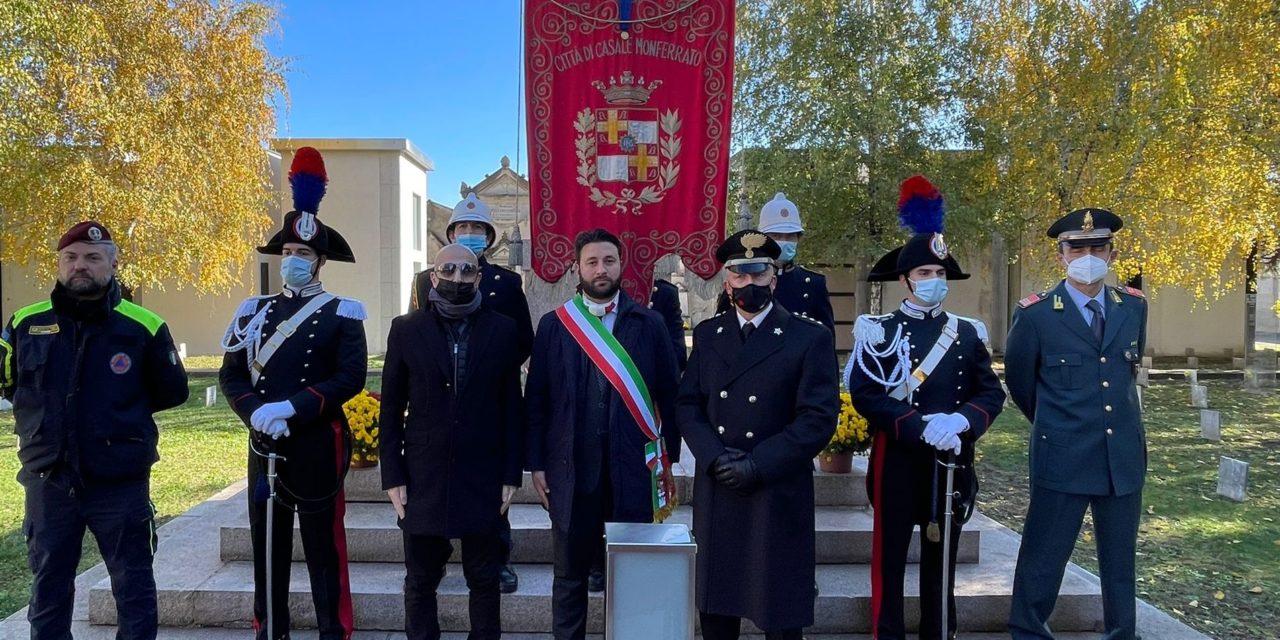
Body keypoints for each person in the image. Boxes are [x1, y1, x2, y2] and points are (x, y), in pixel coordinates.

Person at [0, 221, 189, 640]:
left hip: (119, 483)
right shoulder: (25, 323)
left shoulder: (144, 326)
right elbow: (10, 384)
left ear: (113, 263)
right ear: (58, 263)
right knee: (48, 587)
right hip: (49, 480)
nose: (79, 266)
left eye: (92, 257)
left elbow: (172, 391)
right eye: (71, 257)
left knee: (133, 587)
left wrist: (114, 416)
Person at [845, 176, 1006, 640]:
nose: (933, 282)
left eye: (939, 275)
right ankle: (888, 633)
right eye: (923, 275)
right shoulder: (879, 330)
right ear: (905, 280)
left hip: (951, 463)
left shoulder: (968, 332)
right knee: (889, 561)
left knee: (942, 564)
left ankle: (939, 633)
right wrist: (917, 426)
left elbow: (990, 393)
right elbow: (866, 393)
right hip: (898, 461)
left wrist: (962, 421)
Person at [219, 147, 368, 640]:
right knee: (267, 544)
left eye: (303, 254)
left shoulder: (343, 312)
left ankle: (333, 631)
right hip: (263, 444)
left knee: (325, 546)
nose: (293, 261)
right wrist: (257, 413)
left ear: (320, 261)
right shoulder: (252, 311)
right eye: (287, 253)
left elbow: (350, 378)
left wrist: (292, 407)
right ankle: (271, 629)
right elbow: (232, 375)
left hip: (316, 444)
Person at [677, 229, 839, 640]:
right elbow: (688, 405)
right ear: (727, 281)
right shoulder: (710, 335)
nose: (750, 284)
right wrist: (714, 458)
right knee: (718, 612)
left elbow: (817, 418)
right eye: (740, 275)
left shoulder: (810, 337)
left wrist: (758, 464)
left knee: (780, 613)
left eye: (759, 274)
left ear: (774, 277)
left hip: (776, 487)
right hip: (721, 487)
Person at [525, 228, 680, 640]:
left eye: (608, 260)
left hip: (632, 473)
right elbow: (537, 399)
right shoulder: (555, 326)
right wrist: (537, 463)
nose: (600, 269)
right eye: (591, 261)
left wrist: (669, 463)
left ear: (621, 265)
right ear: (577, 267)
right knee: (570, 579)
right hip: (572, 473)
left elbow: (670, 393)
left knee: (631, 579)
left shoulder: (650, 324)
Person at [1006, 208, 1147, 640]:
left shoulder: (1133, 308)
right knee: (1045, 555)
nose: (1088, 254)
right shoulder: (1036, 315)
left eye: (1097, 247)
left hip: (1120, 455)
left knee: (1120, 560)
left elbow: (1126, 372)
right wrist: (1058, 424)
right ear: (1061, 256)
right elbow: (1021, 384)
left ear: (1112, 252)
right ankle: (1029, 632)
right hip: (1062, 454)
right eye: (1077, 247)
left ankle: (1123, 634)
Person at [380, 243, 525, 640]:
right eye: (449, 271)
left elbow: (513, 405)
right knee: (421, 581)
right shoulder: (406, 329)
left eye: (466, 271)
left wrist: (512, 472)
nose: (457, 279)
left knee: (484, 579)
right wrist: (392, 475)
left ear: (478, 277)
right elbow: (390, 409)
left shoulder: (503, 330)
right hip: (423, 475)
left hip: (483, 474)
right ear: (434, 276)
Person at [409, 191, 533, 593]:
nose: (470, 233)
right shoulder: (426, 279)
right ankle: (438, 553)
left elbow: (522, 340)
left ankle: (499, 560)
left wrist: (489, 370)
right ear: (449, 234)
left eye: (477, 229)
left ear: (489, 237)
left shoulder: (507, 282)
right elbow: (417, 336)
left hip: (490, 400)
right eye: (463, 227)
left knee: (494, 490)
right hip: (439, 398)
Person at [759, 192, 835, 332]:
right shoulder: (747, 280)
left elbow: (826, 338)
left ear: (798, 238)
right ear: (763, 238)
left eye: (790, 236)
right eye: (776, 235)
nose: (784, 241)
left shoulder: (814, 284)